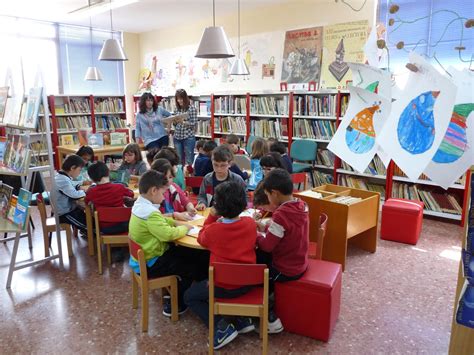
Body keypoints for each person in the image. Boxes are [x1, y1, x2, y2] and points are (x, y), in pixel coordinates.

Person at [184, 181, 257, 350]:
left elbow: (202, 237)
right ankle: (240, 318)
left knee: (190, 296)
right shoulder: (250, 224)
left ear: (217, 206)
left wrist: (211, 216)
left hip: (222, 286)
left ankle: (221, 326)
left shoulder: (213, 231)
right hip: (247, 284)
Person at [128, 170, 196, 316]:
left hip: (143, 259)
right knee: (192, 267)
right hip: (152, 262)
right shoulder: (150, 213)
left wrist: (175, 221)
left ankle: (177, 295)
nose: (164, 197)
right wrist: (184, 228)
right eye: (163, 193)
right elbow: (167, 235)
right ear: (154, 190)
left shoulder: (140, 206)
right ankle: (177, 304)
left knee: (188, 254)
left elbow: (161, 221)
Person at [256, 168, 309, 334]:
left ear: (275, 193)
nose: (269, 199)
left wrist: (255, 232)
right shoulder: (301, 205)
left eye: (268, 195)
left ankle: (269, 316)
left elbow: (267, 246)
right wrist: (265, 225)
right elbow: (286, 230)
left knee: (256, 269)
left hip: (285, 270)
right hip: (300, 262)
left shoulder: (281, 215)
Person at [85, 161, 134, 234]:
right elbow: (131, 194)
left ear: (92, 179)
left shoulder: (91, 191)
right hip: (123, 225)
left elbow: (86, 202)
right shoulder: (119, 187)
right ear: (108, 173)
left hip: (105, 228)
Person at [195, 145, 246, 211]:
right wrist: (202, 203)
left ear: (229, 164)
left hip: (231, 215)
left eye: (223, 165)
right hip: (211, 213)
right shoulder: (207, 179)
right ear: (212, 162)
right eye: (215, 165)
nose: (219, 169)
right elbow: (202, 196)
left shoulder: (237, 180)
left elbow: (244, 199)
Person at [53, 155, 88, 231]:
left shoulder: (61, 176)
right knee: (88, 224)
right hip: (64, 214)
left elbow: (71, 184)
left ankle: (89, 233)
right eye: (79, 170)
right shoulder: (63, 180)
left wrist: (80, 185)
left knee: (89, 219)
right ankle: (91, 236)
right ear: (72, 168)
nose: (79, 172)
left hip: (69, 209)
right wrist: (86, 191)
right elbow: (74, 195)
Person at [173, 89, 198, 167]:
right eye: (178, 99)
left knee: (189, 160)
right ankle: (180, 178)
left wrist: (183, 122)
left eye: (181, 98)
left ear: (185, 98)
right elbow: (175, 124)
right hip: (177, 137)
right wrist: (174, 121)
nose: (179, 101)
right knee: (178, 161)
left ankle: (188, 178)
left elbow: (193, 124)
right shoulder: (176, 109)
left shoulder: (192, 109)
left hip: (188, 138)